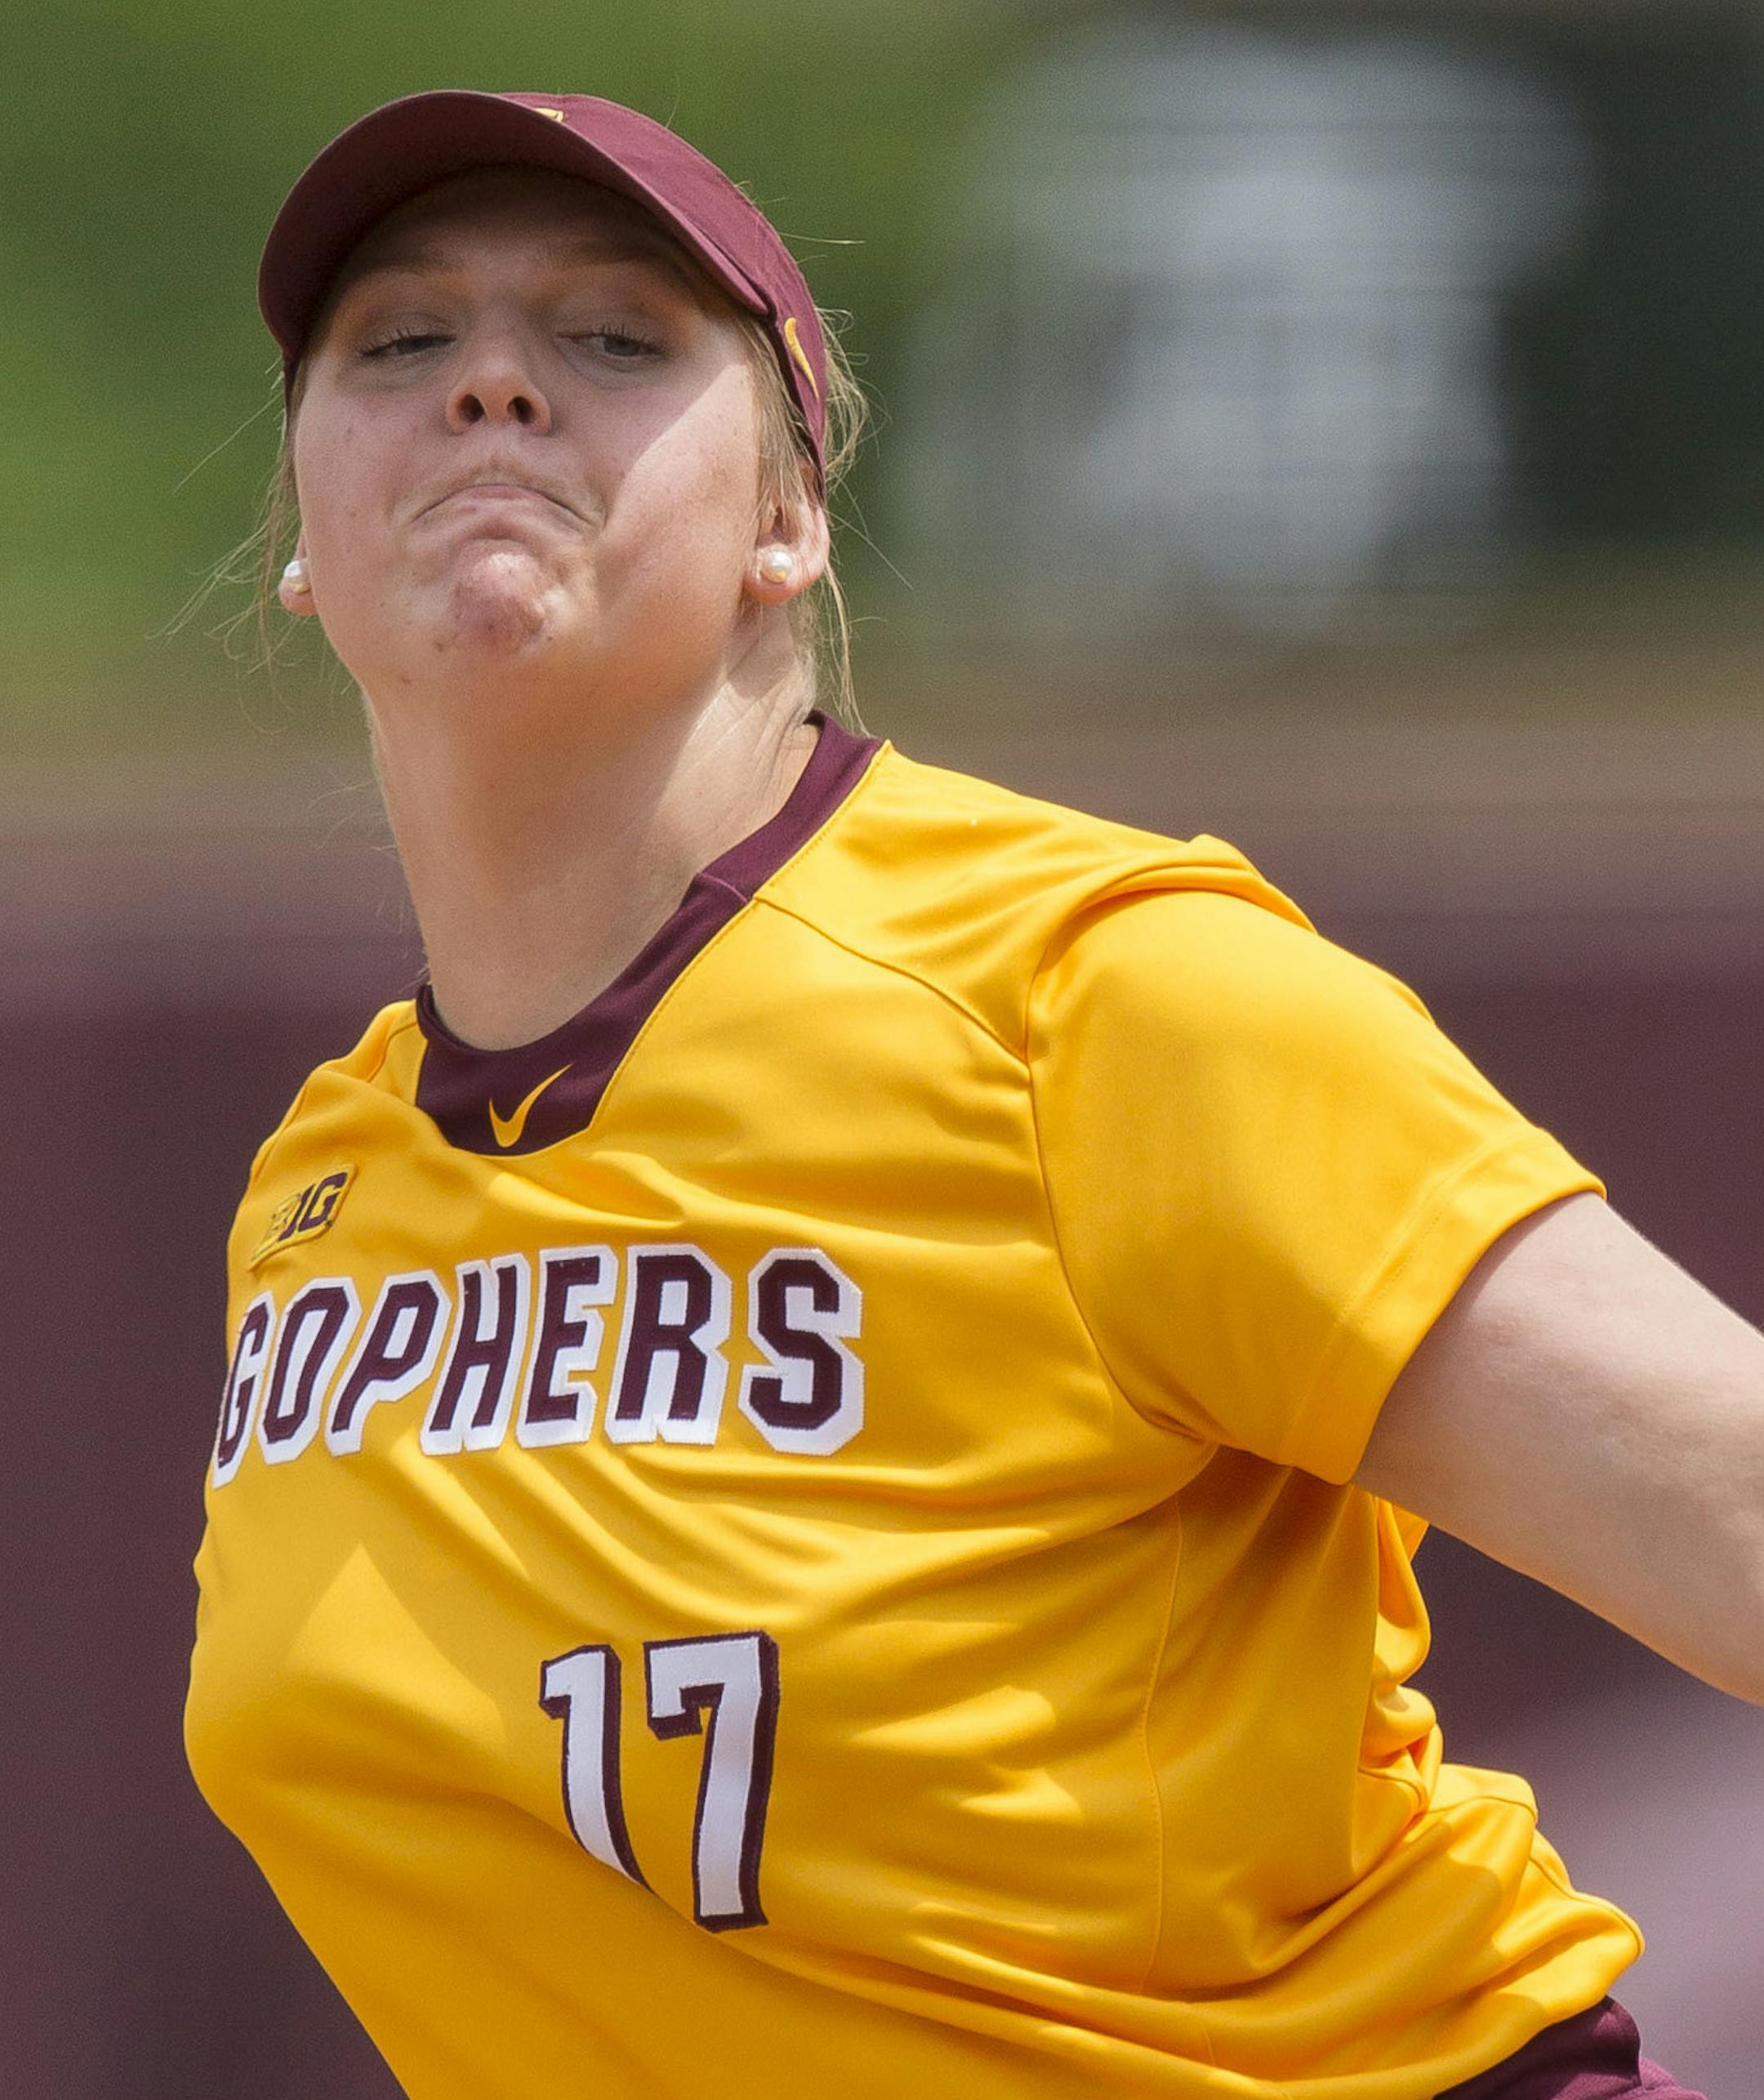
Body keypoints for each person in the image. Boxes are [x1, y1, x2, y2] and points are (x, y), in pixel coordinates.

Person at [183, 90, 1760, 2100]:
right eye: (401, 341)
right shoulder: (328, 1180)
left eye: (612, 340)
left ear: (789, 517)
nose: (491, 383)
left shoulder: (1091, 998)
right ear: (302, 538)